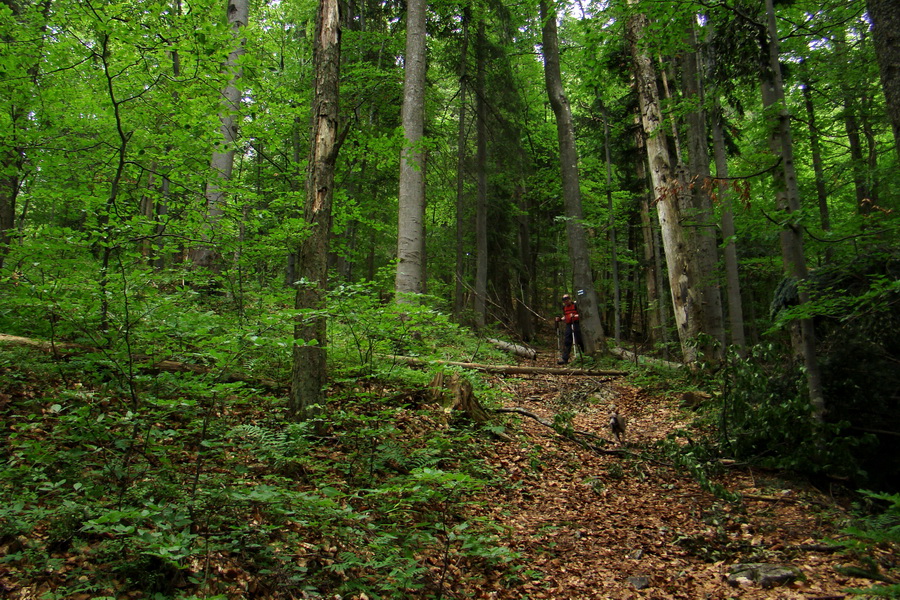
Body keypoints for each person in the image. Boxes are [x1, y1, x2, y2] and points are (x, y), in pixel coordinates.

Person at [555, 293, 585, 364]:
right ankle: (565, 359)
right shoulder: (564, 307)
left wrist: (574, 316)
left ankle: (584, 355)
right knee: (567, 341)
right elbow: (565, 316)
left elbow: (582, 314)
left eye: (567, 300)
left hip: (576, 323)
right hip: (569, 324)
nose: (566, 301)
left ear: (569, 299)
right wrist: (560, 319)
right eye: (564, 300)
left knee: (579, 340)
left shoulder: (575, 305)